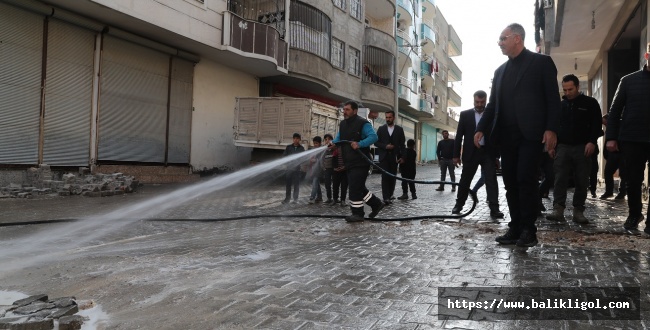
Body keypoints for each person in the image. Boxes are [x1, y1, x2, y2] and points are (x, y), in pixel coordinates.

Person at [474, 23, 561, 247]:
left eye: (503, 39)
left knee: (525, 179)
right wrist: (480, 128)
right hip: (506, 137)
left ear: (517, 38)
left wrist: (551, 129)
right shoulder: (500, 71)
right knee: (511, 182)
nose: (500, 43)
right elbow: (493, 106)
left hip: (531, 135)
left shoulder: (541, 63)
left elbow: (553, 99)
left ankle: (529, 230)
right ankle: (515, 226)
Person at [605, 42, 650, 233]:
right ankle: (634, 214)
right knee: (632, 179)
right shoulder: (628, 80)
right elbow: (614, 112)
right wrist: (611, 137)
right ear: (647, 56)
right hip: (632, 138)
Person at [545, 74, 602, 224]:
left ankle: (578, 211)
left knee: (582, 180)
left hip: (583, 147)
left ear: (578, 87)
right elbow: (553, 126)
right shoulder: (560, 105)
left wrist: (591, 142)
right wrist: (551, 147)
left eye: (570, 89)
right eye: (565, 89)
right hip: (562, 147)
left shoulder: (590, 103)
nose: (567, 92)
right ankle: (558, 209)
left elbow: (596, 124)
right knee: (559, 179)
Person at [452, 90, 504, 218]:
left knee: (491, 180)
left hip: (488, 152)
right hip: (471, 153)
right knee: (465, 180)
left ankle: (494, 208)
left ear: (485, 101)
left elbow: (497, 137)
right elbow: (459, 136)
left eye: (482, 102)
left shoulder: (492, 115)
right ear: (473, 100)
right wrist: (456, 155)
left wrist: (497, 156)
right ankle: (459, 205)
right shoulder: (465, 115)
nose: (479, 104)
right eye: (477, 102)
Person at [331, 100, 384, 222]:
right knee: (358, 187)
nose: (345, 112)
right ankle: (376, 204)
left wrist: (360, 144)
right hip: (349, 161)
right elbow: (339, 138)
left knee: (355, 187)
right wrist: (333, 144)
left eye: (347, 109)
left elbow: (374, 137)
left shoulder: (363, 123)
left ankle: (358, 214)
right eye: (344, 109)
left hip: (361, 161)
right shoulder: (343, 124)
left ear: (355, 111)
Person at [375, 110, 406, 204]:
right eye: (386, 117)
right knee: (384, 177)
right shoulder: (381, 129)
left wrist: (403, 157)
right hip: (384, 157)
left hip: (394, 157)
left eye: (390, 117)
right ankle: (386, 198)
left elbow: (402, 145)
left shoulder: (399, 130)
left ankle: (390, 194)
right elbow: (376, 142)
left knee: (392, 177)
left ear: (394, 118)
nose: (388, 119)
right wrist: (385, 146)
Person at [600, 114, 627, 200]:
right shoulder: (610, 128)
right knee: (608, 171)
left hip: (622, 152)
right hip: (613, 153)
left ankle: (621, 193)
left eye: (605, 123)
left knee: (623, 173)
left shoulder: (619, 125)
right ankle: (609, 192)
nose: (605, 125)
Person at [282, 133, 305, 204]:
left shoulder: (301, 148)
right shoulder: (288, 147)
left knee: (296, 185)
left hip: (297, 169)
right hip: (289, 169)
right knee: (288, 184)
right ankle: (287, 199)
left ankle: (295, 199)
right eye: (294, 138)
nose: (296, 140)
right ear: (293, 139)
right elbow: (284, 156)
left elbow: (303, 158)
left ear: (300, 139)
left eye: (297, 138)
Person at [308, 136, 323, 204]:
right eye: (314, 143)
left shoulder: (322, 150)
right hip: (314, 169)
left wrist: (315, 160)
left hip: (319, 170)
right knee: (316, 183)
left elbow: (321, 159)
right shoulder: (314, 150)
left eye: (316, 143)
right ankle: (319, 197)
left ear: (320, 143)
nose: (315, 145)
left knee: (315, 183)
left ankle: (312, 197)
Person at [322, 134, 334, 204]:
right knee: (327, 184)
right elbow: (321, 159)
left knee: (335, 184)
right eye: (326, 139)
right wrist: (324, 168)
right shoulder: (324, 149)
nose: (327, 141)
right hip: (327, 169)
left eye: (329, 139)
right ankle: (329, 198)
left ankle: (335, 198)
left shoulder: (334, 148)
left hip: (334, 169)